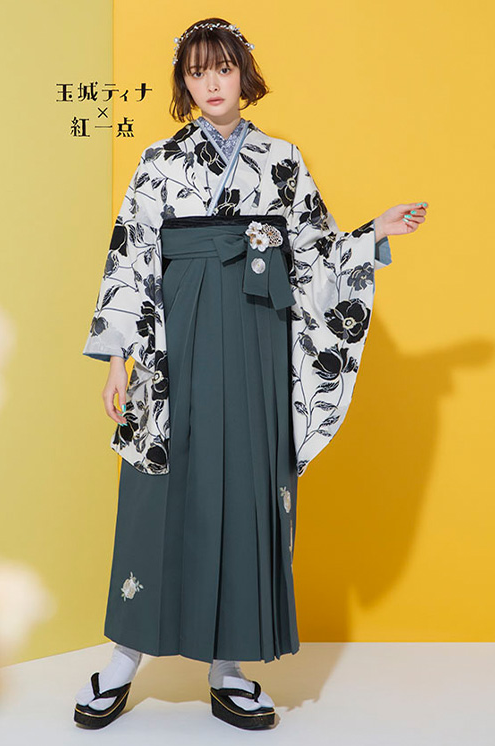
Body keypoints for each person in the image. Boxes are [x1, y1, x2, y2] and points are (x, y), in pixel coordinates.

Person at [73, 17, 428, 732]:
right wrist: (118, 358)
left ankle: (228, 669)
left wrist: (373, 235)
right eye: (196, 71)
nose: (211, 83)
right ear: (184, 82)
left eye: (223, 68)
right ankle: (123, 661)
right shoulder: (158, 161)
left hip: (256, 343)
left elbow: (317, 255)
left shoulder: (282, 159)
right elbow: (132, 258)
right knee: (157, 493)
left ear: (244, 75)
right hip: (176, 344)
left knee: (247, 492)